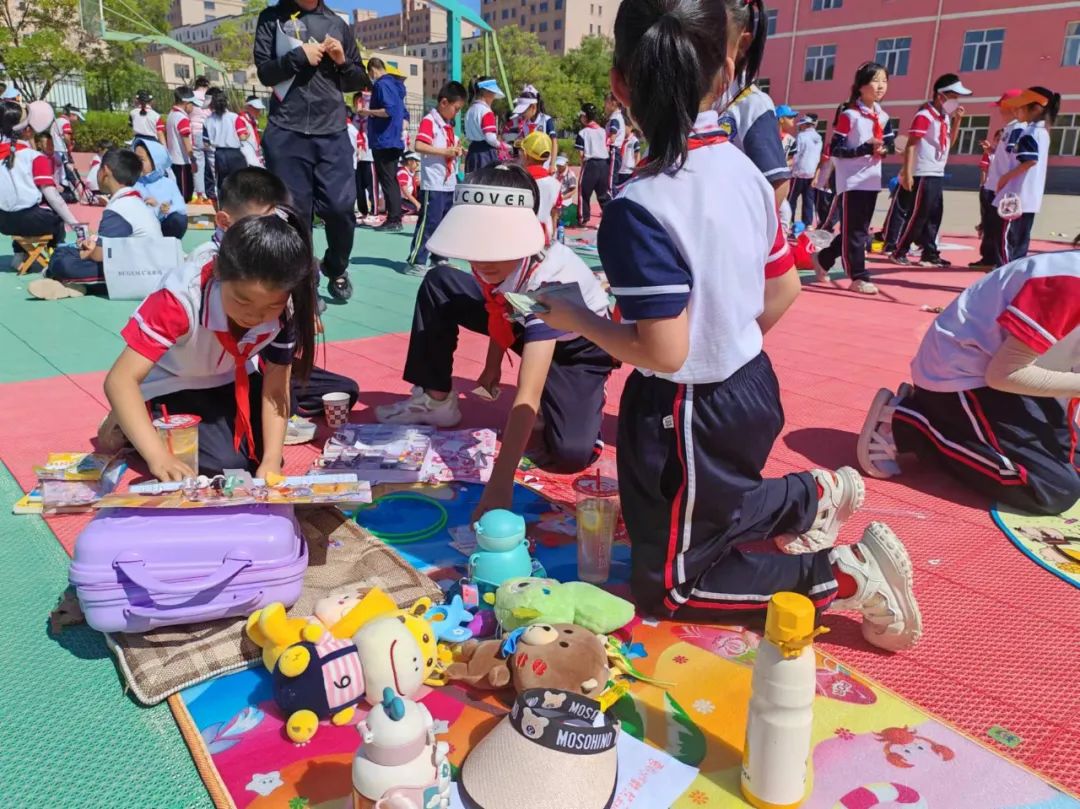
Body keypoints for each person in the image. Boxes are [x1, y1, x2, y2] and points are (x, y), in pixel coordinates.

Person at [534, 0, 921, 652]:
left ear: (619, 82)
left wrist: (572, 315)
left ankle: (845, 575)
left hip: (686, 406)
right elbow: (784, 286)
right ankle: (810, 494)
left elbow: (662, 348)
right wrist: (729, 344)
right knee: (697, 508)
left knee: (675, 583)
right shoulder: (747, 171)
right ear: (729, 67)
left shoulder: (638, 205)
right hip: (749, 383)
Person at [375, 164, 617, 515]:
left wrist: (500, 483)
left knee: (569, 455)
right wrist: (491, 364)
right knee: (441, 282)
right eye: (475, 243)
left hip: (577, 350)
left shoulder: (549, 281)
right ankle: (436, 399)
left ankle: (582, 394)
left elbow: (527, 394)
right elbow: (498, 305)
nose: (482, 258)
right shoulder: (492, 260)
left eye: (494, 244)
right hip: (523, 321)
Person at [104, 204, 318, 479]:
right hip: (174, 383)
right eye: (242, 301)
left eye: (271, 306)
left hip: (232, 378)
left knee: (260, 455)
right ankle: (127, 421)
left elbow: (276, 391)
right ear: (218, 273)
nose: (254, 315)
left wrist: (272, 461)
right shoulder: (179, 300)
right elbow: (119, 380)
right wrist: (158, 457)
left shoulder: (287, 308)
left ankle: (138, 422)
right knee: (224, 465)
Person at [859, 251, 1080, 516]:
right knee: (1053, 489)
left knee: (1073, 464)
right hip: (961, 375)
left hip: (1002, 369)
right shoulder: (1068, 285)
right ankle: (909, 422)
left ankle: (940, 416)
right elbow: (1003, 375)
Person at [254, 0, 369, 302]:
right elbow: (265, 73)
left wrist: (342, 60)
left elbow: (357, 80)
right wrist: (297, 56)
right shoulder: (271, 18)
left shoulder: (337, 24)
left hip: (331, 130)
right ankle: (305, 283)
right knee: (295, 216)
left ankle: (336, 265)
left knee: (341, 208)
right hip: (287, 130)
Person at [29, 147, 162, 300]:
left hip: (133, 273)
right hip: (143, 264)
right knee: (65, 252)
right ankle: (68, 284)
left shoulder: (119, 208)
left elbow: (99, 256)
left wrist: (86, 253)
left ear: (105, 171)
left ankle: (61, 278)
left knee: (63, 261)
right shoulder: (135, 202)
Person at [812, 62, 895, 295]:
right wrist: (864, 149)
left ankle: (824, 258)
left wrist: (884, 150)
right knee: (856, 231)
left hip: (872, 179)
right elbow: (836, 149)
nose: (881, 86)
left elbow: (889, 143)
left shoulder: (883, 115)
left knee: (856, 230)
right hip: (851, 180)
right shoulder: (850, 115)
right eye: (875, 81)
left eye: (884, 81)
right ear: (861, 86)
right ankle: (858, 276)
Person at [886, 74, 971, 268]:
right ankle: (900, 251)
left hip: (937, 171)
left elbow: (949, 144)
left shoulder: (944, 118)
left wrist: (957, 121)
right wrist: (907, 174)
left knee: (935, 214)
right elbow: (911, 145)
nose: (956, 101)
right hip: (923, 172)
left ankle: (930, 253)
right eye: (953, 96)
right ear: (940, 96)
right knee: (919, 214)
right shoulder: (924, 116)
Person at [714, 0, 791, 214]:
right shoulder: (707, 99)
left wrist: (744, 231)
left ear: (743, 42)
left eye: (710, 37)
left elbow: (778, 186)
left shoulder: (752, 105)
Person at [992, 86, 1059, 266]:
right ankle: (1014, 281)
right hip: (1027, 199)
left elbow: (1029, 161)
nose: (1016, 110)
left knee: (1006, 242)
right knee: (1019, 245)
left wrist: (1004, 178)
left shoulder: (1030, 133)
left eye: (1020, 107)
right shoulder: (1042, 132)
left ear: (1036, 109)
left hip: (1015, 196)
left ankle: (1005, 280)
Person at [406, 81, 467, 276]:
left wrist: (457, 151)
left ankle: (439, 256)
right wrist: (444, 151)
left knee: (444, 222)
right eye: (455, 109)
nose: (456, 113)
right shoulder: (429, 121)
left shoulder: (448, 126)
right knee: (429, 222)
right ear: (444, 103)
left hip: (448, 182)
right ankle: (416, 259)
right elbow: (420, 145)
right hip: (434, 181)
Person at [0, 99, 76, 254]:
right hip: (33, 221)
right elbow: (53, 197)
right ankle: (56, 252)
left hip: (3, 222)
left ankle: (20, 254)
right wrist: (75, 223)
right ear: (27, 129)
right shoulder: (34, 156)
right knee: (56, 214)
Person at [971, 90, 1022, 270]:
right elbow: (1004, 158)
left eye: (1002, 107)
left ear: (1013, 107)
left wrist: (1005, 182)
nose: (1000, 111)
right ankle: (990, 260)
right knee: (991, 227)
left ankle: (1002, 266)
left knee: (1003, 232)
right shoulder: (1008, 130)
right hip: (994, 187)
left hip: (1005, 190)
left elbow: (1017, 160)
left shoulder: (1018, 130)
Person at [358, 57, 407, 235]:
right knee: (391, 178)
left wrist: (368, 112)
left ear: (372, 70)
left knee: (387, 179)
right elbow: (403, 113)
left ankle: (393, 218)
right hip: (393, 139)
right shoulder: (397, 87)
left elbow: (388, 110)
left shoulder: (381, 85)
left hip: (384, 140)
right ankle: (395, 216)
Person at [203, 91, 251, 206]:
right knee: (239, 183)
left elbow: (206, 143)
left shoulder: (208, 120)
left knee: (222, 184)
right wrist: (248, 133)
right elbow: (243, 137)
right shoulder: (235, 118)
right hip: (235, 154)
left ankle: (223, 209)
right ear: (226, 102)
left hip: (219, 154)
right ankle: (241, 208)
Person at [133, 139, 187, 240]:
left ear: (155, 161)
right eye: (134, 159)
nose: (136, 164)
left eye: (141, 160)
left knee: (178, 219)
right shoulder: (132, 183)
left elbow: (181, 208)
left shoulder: (168, 183)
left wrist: (164, 209)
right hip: (140, 232)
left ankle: (169, 249)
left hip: (163, 231)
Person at [520, 131, 561, 242]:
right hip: (544, 237)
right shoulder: (555, 184)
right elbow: (555, 213)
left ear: (525, 154)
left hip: (520, 236)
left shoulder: (517, 179)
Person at [575, 103, 610, 227]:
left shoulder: (583, 132)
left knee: (583, 192)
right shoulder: (603, 131)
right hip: (604, 164)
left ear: (585, 117)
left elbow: (580, 152)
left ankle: (583, 219)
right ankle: (610, 218)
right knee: (603, 194)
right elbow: (607, 147)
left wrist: (583, 162)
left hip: (590, 164)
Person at [511, 85, 558, 171]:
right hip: (529, 164)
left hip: (545, 164)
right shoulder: (525, 123)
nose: (522, 114)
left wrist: (552, 164)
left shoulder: (546, 120)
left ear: (533, 107)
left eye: (524, 111)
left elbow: (554, 142)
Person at [788, 114, 822, 232]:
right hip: (811, 174)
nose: (800, 127)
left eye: (802, 124)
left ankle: (789, 221)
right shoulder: (818, 138)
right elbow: (818, 158)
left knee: (791, 199)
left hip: (798, 173)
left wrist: (790, 167)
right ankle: (808, 223)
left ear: (806, 124)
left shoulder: (801, 136)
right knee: (808, 200)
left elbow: (797, 155)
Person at [464, 77, 504, 172]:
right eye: (493, 93)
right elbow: (490, 138)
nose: (494, 96)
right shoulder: (486, 112)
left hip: (472, 152)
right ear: (487, 92)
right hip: (485, 154)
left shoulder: (470, 110)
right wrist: (503, 145)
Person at [166, 86, 197, 203]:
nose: (193, 107)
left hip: (174, 160)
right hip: (182, 162)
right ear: (185, 102)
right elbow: (186, 141)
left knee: (178, 191)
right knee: (185, 194)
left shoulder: (171, 114)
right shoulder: (182, 118)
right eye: (192, 104)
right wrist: (193, 160)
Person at [352, 91, 379, 219]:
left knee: (371, 185)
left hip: (369, 155)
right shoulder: (352, 118)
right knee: (358, 186)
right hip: (357, 157)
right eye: (357, 102)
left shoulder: (371, 118)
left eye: (361, 102)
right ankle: (363, 211)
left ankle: (375, 210)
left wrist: (367, 107)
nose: (359, 105)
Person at [49, 103, 83, 199]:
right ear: (72, 115)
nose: (77, 121)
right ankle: (74, 192)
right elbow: (66, 136)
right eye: (77, 117)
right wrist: (70, 145)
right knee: (67, 171)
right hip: (61, 149)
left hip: (55, 149)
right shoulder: (65, 122)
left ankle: (60, 190)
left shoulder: (57, 121)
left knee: (58, 171)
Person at [191, 76, 212, 202]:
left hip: (194, 132)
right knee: (212, 162)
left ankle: (199, 192)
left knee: (198, 164)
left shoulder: (191, 96)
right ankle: (213, 190)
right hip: (208, 133)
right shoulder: (209, 96)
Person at [604, 92, 627, 190]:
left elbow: (612, 137)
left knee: (610, 183)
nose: (605, 105)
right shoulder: (616, 117)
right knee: (610, 181)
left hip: (613, 151)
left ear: (613, 103)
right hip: (614, 151)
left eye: (607, 102)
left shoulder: (615, 118)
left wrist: (603, 144)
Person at [241, 95, 265, 167]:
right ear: (248, 107)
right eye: (256, 109)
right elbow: (242, 137)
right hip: (248, 153)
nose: (258, 111)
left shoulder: (254, 120)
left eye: (259, 109)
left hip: (257, 151)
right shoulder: (242, 119)